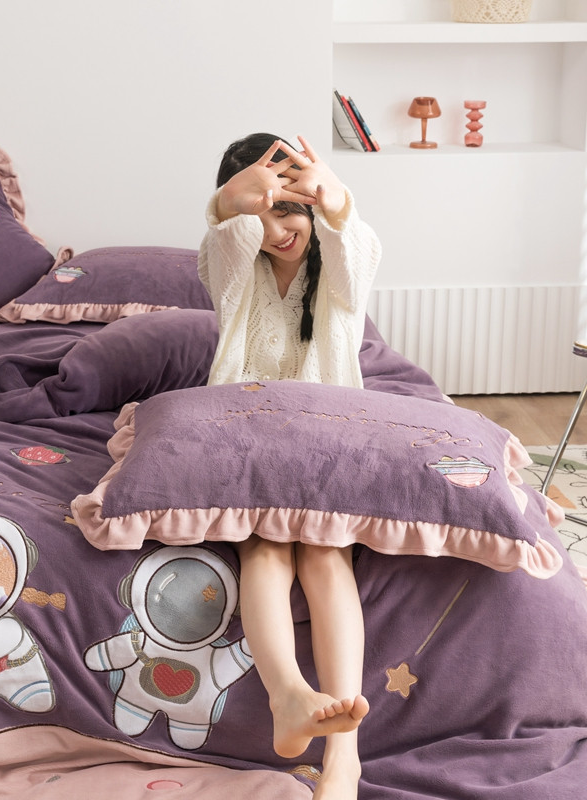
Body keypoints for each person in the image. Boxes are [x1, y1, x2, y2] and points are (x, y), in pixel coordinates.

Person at [197, 132, 382, 800]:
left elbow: (358, 253)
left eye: (290, 211)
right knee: (266, 549)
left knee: (327, 558)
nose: (280, 230)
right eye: (266, 214)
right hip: (248, 431)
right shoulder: (231, 265)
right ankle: (288, 697)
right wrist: (231, 206)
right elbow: (221, 251)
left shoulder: (337, 266)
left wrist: (336, 202)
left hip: (326, 431)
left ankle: (344, 760)